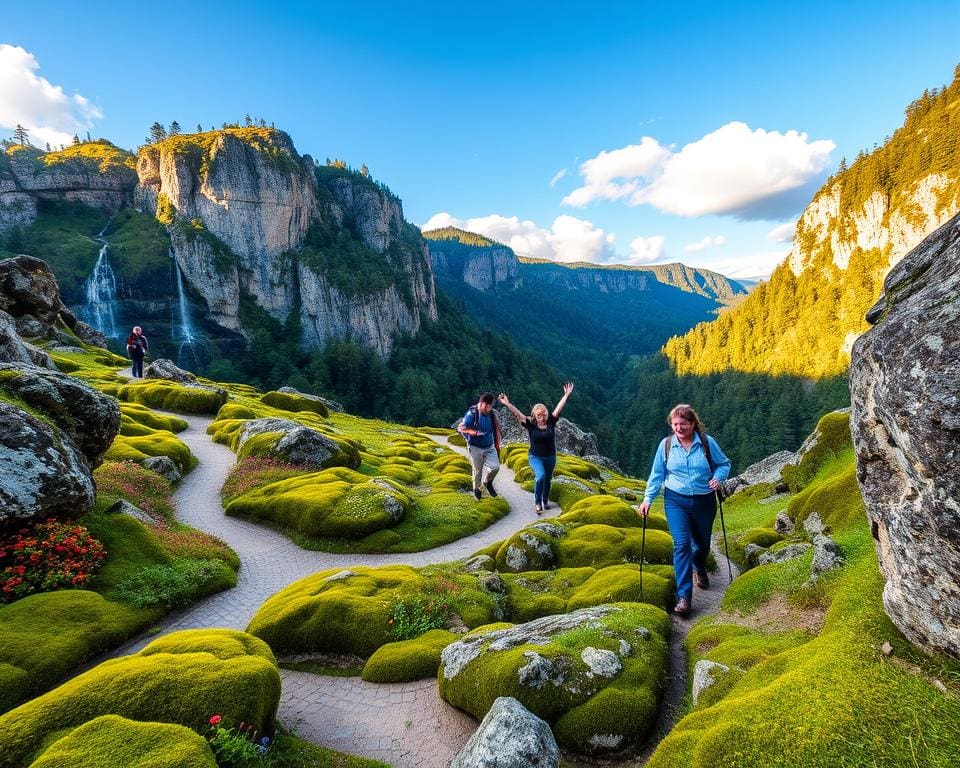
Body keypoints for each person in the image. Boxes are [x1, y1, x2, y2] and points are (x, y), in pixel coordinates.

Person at [637, 403, 731, 617]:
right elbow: (657, 474)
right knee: (681, 544)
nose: (679, 428)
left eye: (683, 424)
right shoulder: (666, 445)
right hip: (675, 500)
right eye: (675, 424)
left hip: (704, 501)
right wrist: (648, 499)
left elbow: (724, 464)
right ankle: (684, 597)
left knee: (702, 543)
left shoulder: (706, 442)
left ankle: (699, 566)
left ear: (693, 424)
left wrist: (718, 478)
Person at [498, 382, 574, 513]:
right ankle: (538, 502)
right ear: (534, 415)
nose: (541, 418)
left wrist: (566, 395)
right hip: (535, 457)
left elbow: (558, 408)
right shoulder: (530, 425)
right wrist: (507, 404)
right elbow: (518, 414)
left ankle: (545, 500)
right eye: (539, 415)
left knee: (548, 479)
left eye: (543, 415)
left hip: (550, 457)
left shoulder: (551, 422)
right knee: (540, 477)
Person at [458, 392, 502, 500]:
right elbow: (460, 428)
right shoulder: (472, 414)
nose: (488, 409)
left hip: (489, 446)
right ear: (482, 403)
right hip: (475, 446)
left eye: (490, 406)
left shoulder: (492, 414)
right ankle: (476, 489)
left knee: (495, 467)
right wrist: (471, 432)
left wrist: (498, 445)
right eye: (487, 406)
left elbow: (496, 430)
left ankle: (487, 482)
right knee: (478, 470)